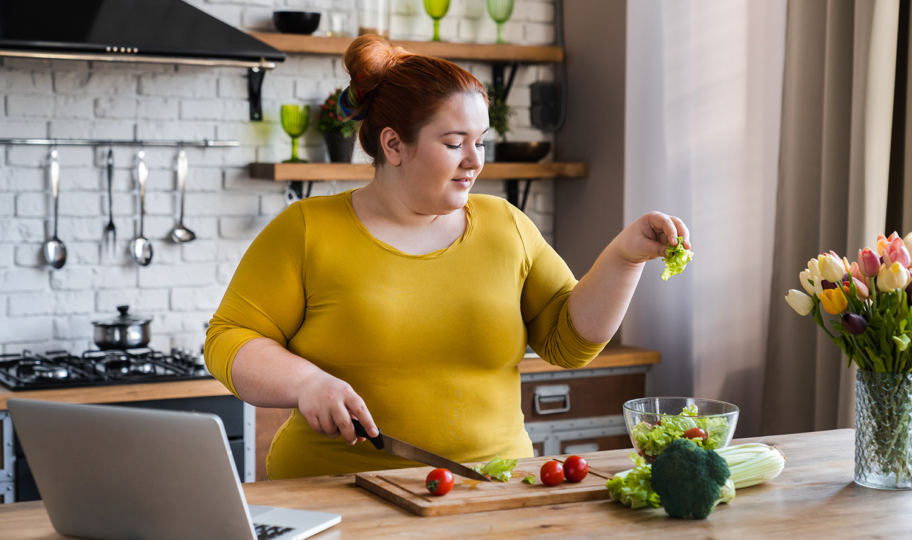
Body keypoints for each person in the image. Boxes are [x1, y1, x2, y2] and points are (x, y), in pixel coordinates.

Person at [205, 35, 691, 480]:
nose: (475, 160)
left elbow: (568, 342)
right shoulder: (308, 229)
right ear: (394, 144)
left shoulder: (506, 225)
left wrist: (625, 258)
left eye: (480, 142)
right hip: (339, 491)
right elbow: (229, 340)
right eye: (454, 143)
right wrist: (305, 382)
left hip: (493, 484)